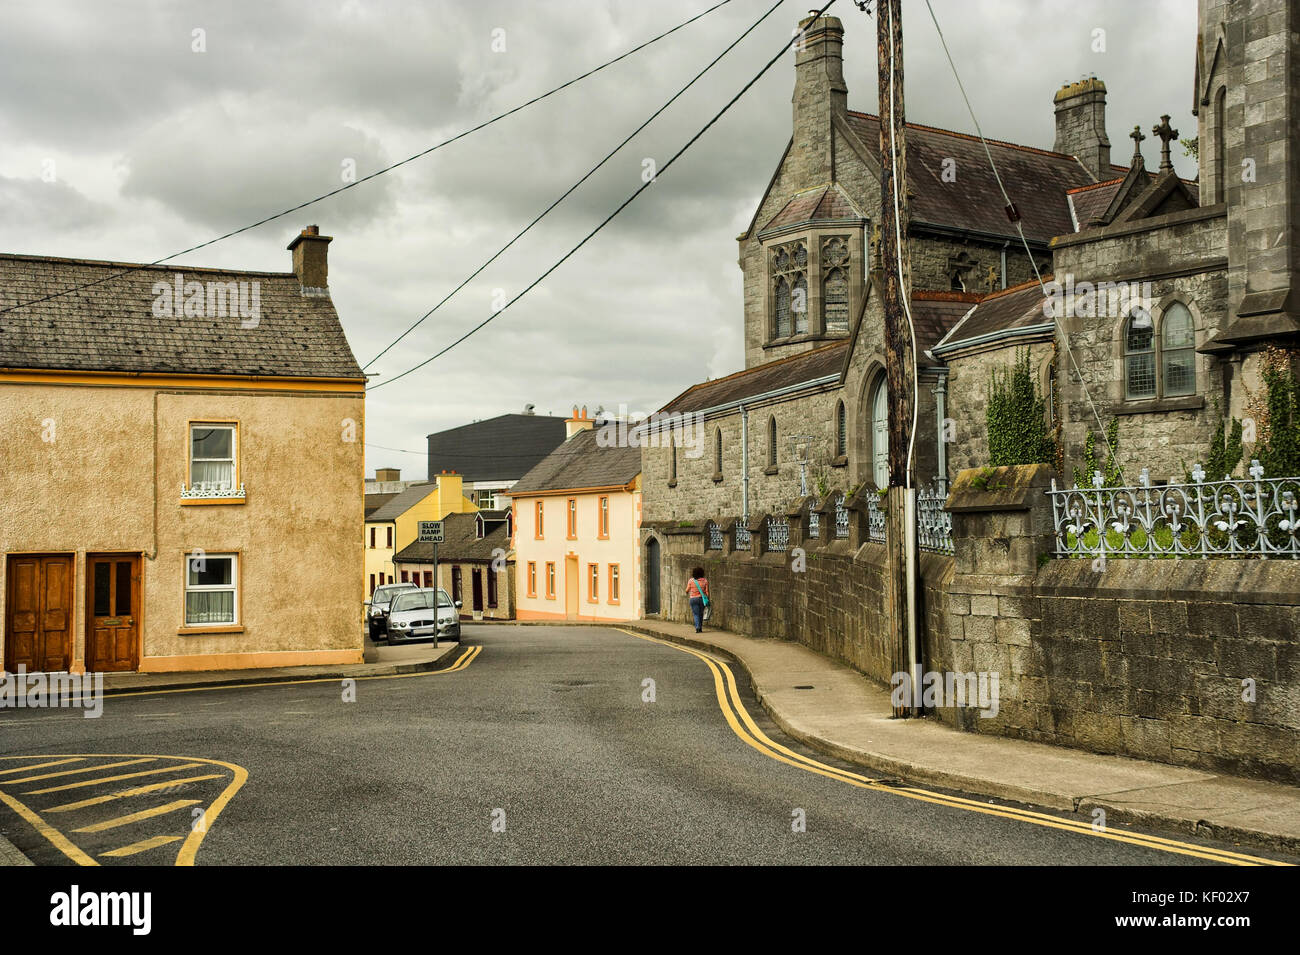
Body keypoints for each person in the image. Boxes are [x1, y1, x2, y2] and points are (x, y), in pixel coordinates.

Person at [686, 567, 710, 633]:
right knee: (701, 614)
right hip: (702, 599)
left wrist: (689, 591)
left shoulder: (691, 580)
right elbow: (707, 591)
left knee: (696, 614)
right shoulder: (705, 580)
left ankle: (697, 628)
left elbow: (687, 590)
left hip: (693, 599)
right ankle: (700, 628)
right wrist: (707, 599)